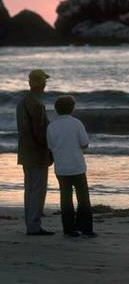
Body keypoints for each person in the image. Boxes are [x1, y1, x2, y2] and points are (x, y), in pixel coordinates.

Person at [47, 95, 97, 238]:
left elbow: (50, 146)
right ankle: (86, 228)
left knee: (65, 198)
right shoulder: (76, 123)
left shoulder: (52, 125)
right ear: (72, 108)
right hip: (77, 166)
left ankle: (69, 229)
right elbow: (85, 144)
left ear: (56, 109)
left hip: (61, 167)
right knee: (83, 198)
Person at [16, 69, 54, 236]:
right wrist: (50, 150)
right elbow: (40, 132)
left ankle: (31, 224)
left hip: (25, 151)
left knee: (30, 189)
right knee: (38, 189)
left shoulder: (22, 102)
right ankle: (34, 226)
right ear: (39, 83)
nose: (45, 84)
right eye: (44, 81)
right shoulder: (37, 104)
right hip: (37, 153)